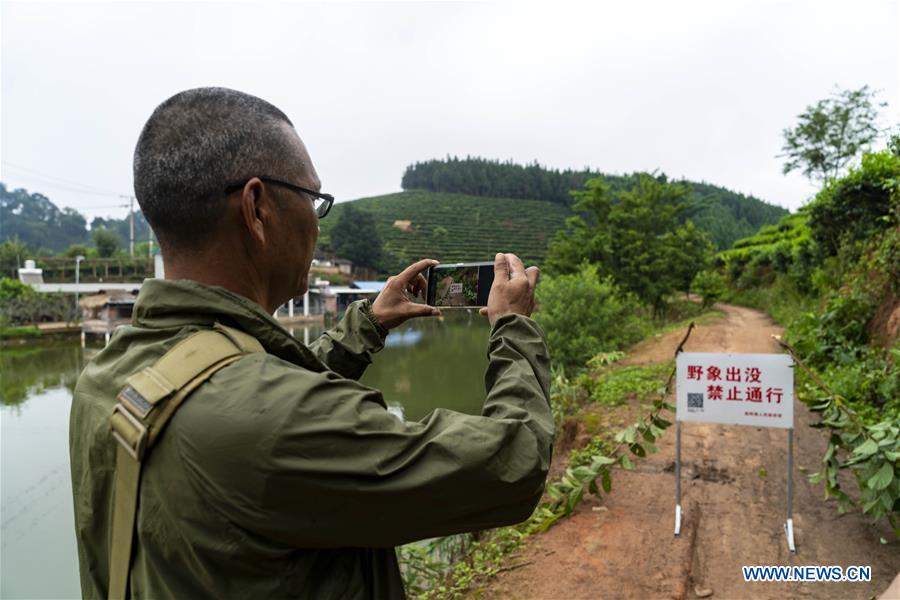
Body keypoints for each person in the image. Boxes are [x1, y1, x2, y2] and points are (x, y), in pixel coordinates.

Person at [69, 87, 553, 599]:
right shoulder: (273, 422)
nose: (317, 224)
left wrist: (368, 323)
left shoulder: (107, 378)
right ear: (257, 208)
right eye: (314, 200)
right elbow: (514, 462)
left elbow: (242, 394)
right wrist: (512, 325)